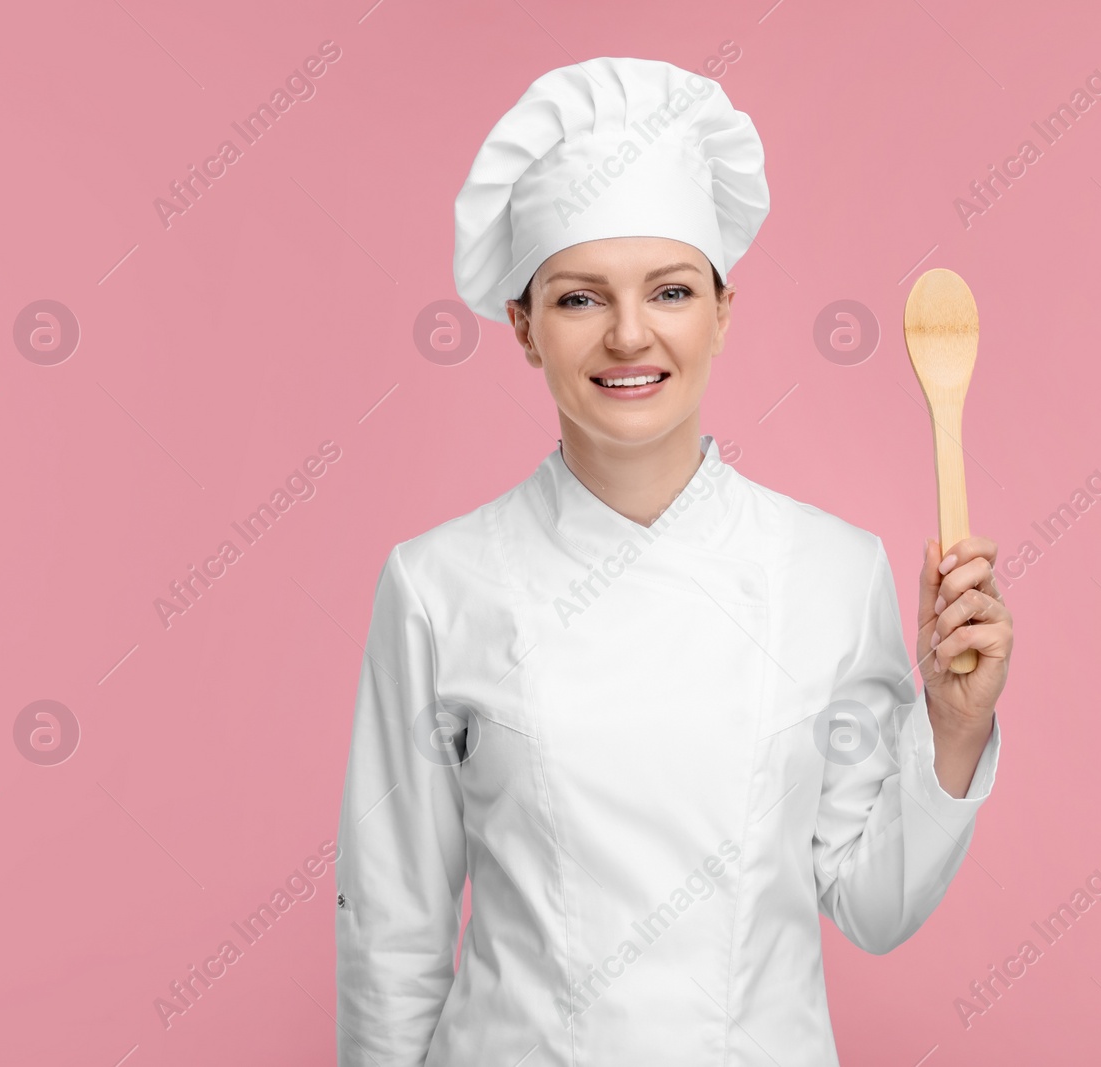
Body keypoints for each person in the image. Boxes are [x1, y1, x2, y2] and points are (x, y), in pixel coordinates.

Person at [334, 56, 1012, 1067]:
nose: (629, 334)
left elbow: (873, 903)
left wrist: (954, 727)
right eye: (577, 298)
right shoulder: (437, 584)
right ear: (521, 325)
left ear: (722, 312)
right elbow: (392, 926)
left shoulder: (832, 570)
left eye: (669, 289)